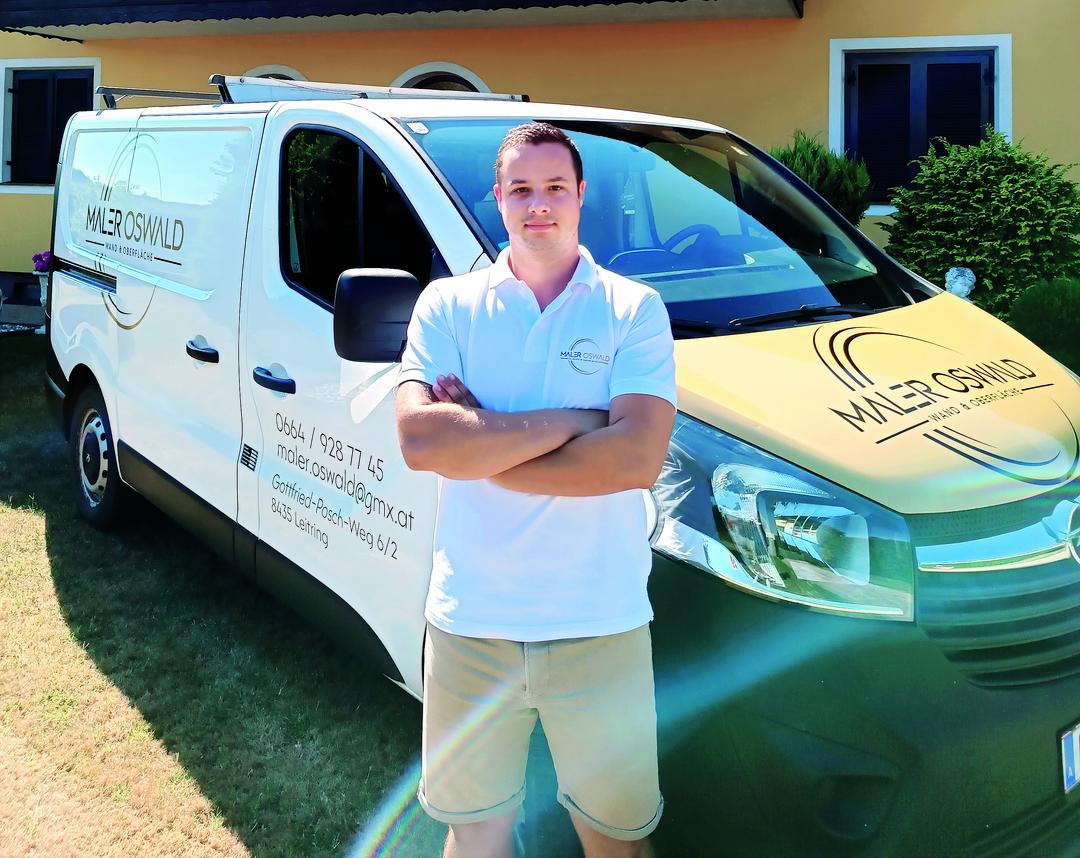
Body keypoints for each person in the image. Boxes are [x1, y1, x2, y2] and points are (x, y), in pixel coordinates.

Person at [395, 122, 677, 858]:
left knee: (617, 841)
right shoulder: (447, 305)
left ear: (581, 195)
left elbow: (635, 459)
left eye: (555, 187)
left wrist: (482, 442)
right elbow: (421, 441)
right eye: (521, 189)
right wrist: (578, 422)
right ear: (498, 199)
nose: (538, 204)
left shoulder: (633, 309)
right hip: (471, 623)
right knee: (475, 836)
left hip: (600, 623)